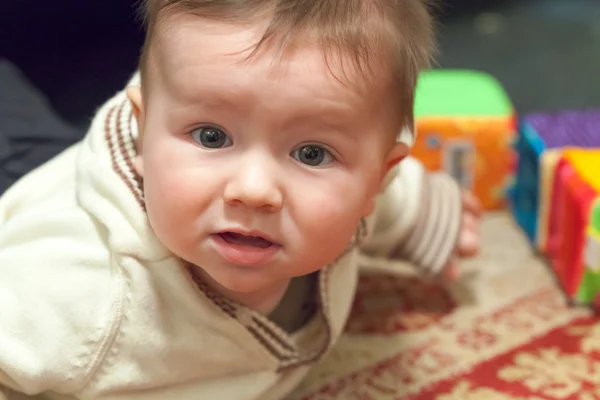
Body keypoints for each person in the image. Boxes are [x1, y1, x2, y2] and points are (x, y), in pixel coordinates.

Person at [0, 0, 481, 399]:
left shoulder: (357, 198)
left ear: (377, 178)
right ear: (144, 133)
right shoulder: (75, 294)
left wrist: (427, 213)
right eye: (211, 137)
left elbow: (388, 201)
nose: (253, 190)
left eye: (311, 153)